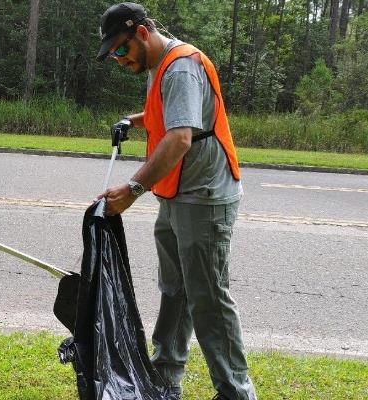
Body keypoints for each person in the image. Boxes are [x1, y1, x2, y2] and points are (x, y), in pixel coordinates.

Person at [95, 3, 257, 400]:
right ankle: (165, 375)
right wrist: (134, 121)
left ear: (142, 33)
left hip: (203, 197)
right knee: (175, 288)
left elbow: (181, 137)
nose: (119, 60)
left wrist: (133, 189)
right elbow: (168, 114)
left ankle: (236, 392)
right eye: (114, 54)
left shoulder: (182, 65)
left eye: (121, 50)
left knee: (209, 298)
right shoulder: (160, 66)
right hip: (176, 193)